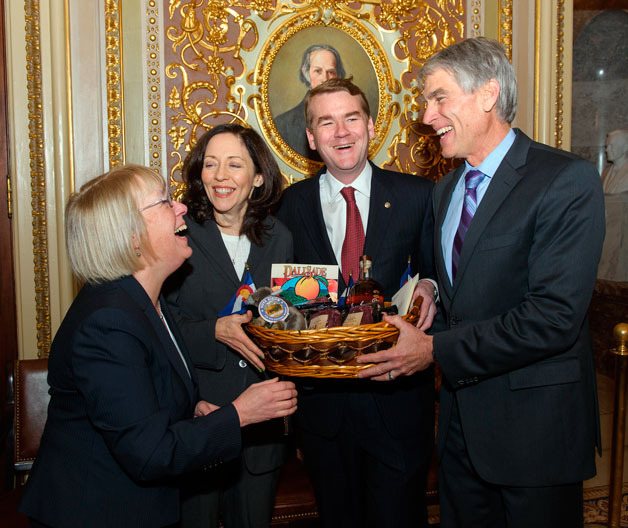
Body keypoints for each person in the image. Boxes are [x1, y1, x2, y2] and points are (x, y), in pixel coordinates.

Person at [358, 37, 605, 528]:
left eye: (438, 98)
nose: (427, 117)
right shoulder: (446, 189)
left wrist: (433, 352)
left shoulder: (565, 180)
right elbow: (461, 289)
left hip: (535, 436)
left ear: (488, 94)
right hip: (459, 433)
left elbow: (553, 318)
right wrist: (426, 290)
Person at [18, 164, 297, 528]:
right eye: (165, 202)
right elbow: (148, 453)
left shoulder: (148, 301)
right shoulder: (108, 323)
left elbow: (145, 391)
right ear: (133, 237)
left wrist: (191, 408)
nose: (181, 207)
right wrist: (239, 414)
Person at [276, 77, 438, 528]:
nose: (341, 132)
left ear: (370, 125)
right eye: (326, 123)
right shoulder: (291, 206)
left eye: (350, 118)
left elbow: (439, 274)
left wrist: (430, 288)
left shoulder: (417, 196)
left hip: (398, 402)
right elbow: (282, 300)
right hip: (324, 409)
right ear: (311, 137)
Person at [163, 124, 293, 528]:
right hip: (199, 414)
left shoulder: (279, 237)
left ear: (257, 177)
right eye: (211, 164)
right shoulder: (177, 235)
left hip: (262, 425)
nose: (220, 176)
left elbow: (283, 317)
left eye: (234, 165)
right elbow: (157, 327)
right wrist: (213, 331)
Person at [274, 44, 346, 158]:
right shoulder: (283, 124)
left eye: (331, 72)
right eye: (318, 71)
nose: (325, 78)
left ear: (338, 75)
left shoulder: (353, 118)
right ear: (306, 73)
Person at [601, 128, 628, 194]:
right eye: (606, 146)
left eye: (611, 146)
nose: (607, 150)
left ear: (625, 147)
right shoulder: (606, 171)